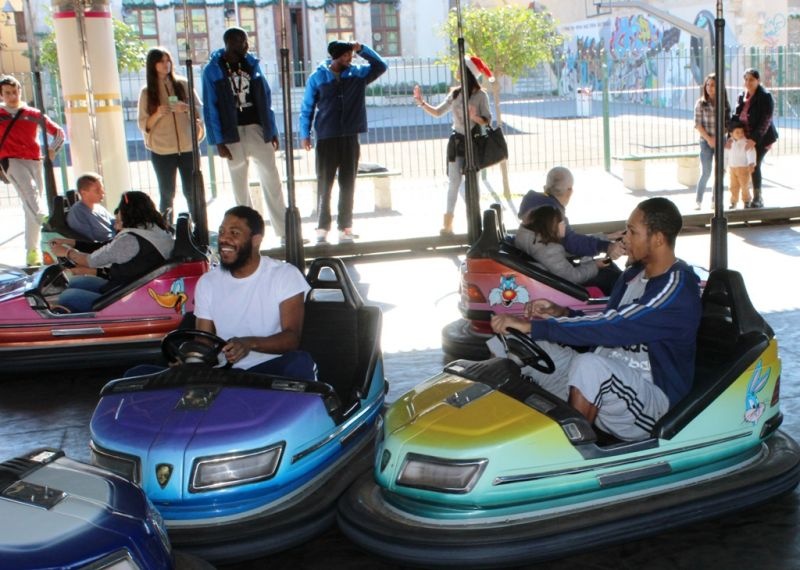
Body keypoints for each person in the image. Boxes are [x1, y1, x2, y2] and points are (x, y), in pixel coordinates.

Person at [491, 197, 701, 442]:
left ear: (658, 238)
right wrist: (562, 313)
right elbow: (607, 319)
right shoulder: (633, 276)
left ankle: (571, 456)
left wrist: (536, 325)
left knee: (588, 366)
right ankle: (494, 437)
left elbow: (616, 325)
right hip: (603, 383)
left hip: (650, 403)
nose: (624, 238)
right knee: (509, 340)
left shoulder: (676, 289)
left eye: (632, 232)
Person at [193, 206, 315, 378]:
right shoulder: (207, 282)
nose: (224, 239)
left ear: (256, 240)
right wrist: (189, 359)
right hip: (226, 374)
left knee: (299, 362)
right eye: (221, 232)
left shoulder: (284, 275)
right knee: (142, 373)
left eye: (234, 233)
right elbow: (203, 341)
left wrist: (249, 344)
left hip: (270, 371)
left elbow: (292, 338)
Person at [299, 40, 387, 244]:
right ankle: (322, 227)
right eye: (347, 55)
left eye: (351, 54)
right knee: (325, 184)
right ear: (336, 56)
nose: (350, 58)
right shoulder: (318, 77)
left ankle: (345, 227)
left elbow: (380, 66)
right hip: (326, 137)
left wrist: (362, 49)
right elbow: (307, 107)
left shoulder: (357, 74)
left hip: (349, 136)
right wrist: (305, 134)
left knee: (347, 183)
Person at [202, 27, 285, 242]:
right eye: (242, 42)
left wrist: (272, 129)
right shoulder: (213, 70)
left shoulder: (251, 64)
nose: (246, 46)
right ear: (230, 42)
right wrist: (218, 141)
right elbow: (210, 108)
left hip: (257, 128)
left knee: (272, 178)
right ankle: (247, 235)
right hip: (232, 133)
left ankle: (284, 231)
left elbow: (265, 98)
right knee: (239, 184)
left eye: (247, 42)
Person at [50, 191, 174, 313]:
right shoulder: (153, 230)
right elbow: (103, 247)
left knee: (67, 296)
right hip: (128, 287)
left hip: (126, 297)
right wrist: (70, 242)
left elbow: (90, 261)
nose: (117, 213)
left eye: (119, 209)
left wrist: (67, 252)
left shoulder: (131, 240)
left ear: (127, 212)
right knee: (76, 282)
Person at [412, 56, 492, 236]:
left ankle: (475, 223)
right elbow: (438, 112)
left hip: (473, 143)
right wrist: (422, 103)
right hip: (456, 142)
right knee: (454, 182)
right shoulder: (455, 93)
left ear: (467, 73)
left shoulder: (480, 95)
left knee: (473, 184)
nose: (456, 71)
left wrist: (474, 117)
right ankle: (447, 225)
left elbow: (487, 120)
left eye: (459, 68)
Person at [0, 75, 65, 266]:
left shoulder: (33, 114)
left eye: (14, 92)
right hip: (11, 161)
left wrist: (53, 150)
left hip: (35, 161)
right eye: (7, 93)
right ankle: (46, 218)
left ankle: (32, 251)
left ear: (20, 92)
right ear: (2, 95)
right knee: (31, 194)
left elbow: (59, 133)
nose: (12, 96)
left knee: (29, 206)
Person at [138, 47, 203, 225]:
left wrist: (187, 109)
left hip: (188, 147)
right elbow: (144, 124)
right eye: (161, 61)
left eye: (168, 61)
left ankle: (199, 230)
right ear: (153, 65)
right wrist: (158, 113)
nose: (166, 65)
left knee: (192, 191)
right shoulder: (147, 92)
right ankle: (166, 229)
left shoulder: (182, 84)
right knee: (167, 193)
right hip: (162, 150)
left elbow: (199, 112)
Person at [518, 166, 625, 262]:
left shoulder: (533, 205)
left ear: (545, 188)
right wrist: (606, 246)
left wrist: (606, 237)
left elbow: (571, 239)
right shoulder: (553, 214)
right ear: (569, 191)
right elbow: (573, 244)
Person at [515, 205, 611, 293]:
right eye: (562, 222)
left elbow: (568, 251)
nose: (565, 225)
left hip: (554, 280)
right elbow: (572, 277)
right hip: (564, 288)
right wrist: (596, 265)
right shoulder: (548, 249)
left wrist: (606, 237)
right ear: (552, 226)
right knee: (610, 277)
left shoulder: (536, 240)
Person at [729, 68, 778, 209]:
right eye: (746, 79)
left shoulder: (765, 96)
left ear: (758, 80)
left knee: (754, 165)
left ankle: (758, 197)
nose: (748, 82)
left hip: (762, 139)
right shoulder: (742, 96)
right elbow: (736, 117)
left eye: (751, 79)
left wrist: (754, 139)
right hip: (745, 138)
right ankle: (745, 197)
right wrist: (730, 136)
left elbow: (766, 120)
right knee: (743, 167)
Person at [693, 73, 730, 210]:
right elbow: (698, 124)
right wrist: (709, 139)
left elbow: (727, 123)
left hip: (721, 140)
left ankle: (715, 200)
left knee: (719, 172)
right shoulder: (701, 103)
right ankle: (698, 200)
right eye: (708, 85)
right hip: (706, 142)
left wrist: (721, 137)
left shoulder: (724, 103)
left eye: (713, 85)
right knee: (706, 171)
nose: (710, 88)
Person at [66, 172, 115, 242]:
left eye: (102, 189)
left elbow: (115, 224)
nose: (102, 192)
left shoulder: (99, 208)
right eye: (97, 190)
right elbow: (88, 242)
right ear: (84, 193)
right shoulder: (77, 213)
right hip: (102, 248)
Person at [726, 121, 757, 210]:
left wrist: (751, 163)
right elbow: (725, 156)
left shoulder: (746, 142)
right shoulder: (729, 143)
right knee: (733, 186)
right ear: (731, 134)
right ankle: (733, 202)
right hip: (732, 168)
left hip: (744, 168)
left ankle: (747, 201)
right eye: (737, 132)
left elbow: (751, 152)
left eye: (742, 132)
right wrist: (723, 167)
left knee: (744, 186)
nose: (740, 134)